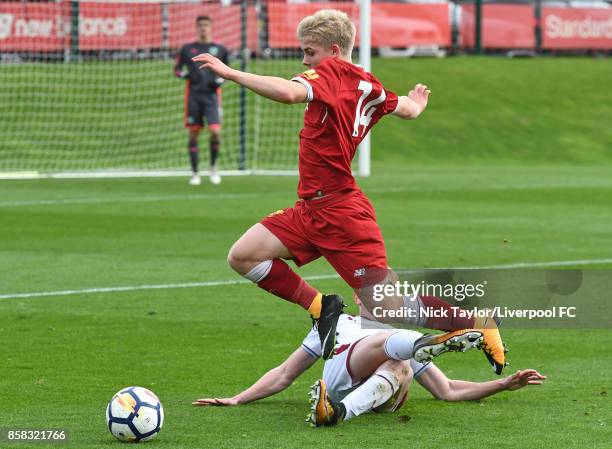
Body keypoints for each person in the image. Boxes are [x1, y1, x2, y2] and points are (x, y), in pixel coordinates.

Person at [192, 9, 506, 373]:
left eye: (310, 51)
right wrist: (417, 104)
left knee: (386, 308)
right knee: (243, 255)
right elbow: (405, 109)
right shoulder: (369, 83)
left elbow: (290, 93)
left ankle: (476, 322)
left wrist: (230, 73)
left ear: (335, 50)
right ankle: (322, 308)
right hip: (311, 209)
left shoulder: (331, 72)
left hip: (341, 213)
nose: (304, 60)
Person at [192, 308, 545, 427]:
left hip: (382, 392)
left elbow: (448, 390)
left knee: (400, 363)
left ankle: (336, 412)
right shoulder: (336, 321)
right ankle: (427, 344)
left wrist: (504, 385)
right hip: (341, 377)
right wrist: (239, 398)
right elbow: (285, 374)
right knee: (401, 354)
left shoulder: (392, 332)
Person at [174, 15, 229, 186]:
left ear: (211, 27)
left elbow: (227, 71)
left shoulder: (219, 49)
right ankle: (195, 173)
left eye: (206, 25)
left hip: (212, 96)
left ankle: (213, 168)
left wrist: (219, 81)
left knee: (215, 131)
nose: (203, 28)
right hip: (193, 96)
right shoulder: (187, 49)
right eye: (200, 25)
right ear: (196, 27)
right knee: (193, 132)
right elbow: (176, 70)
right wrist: (185, 75)